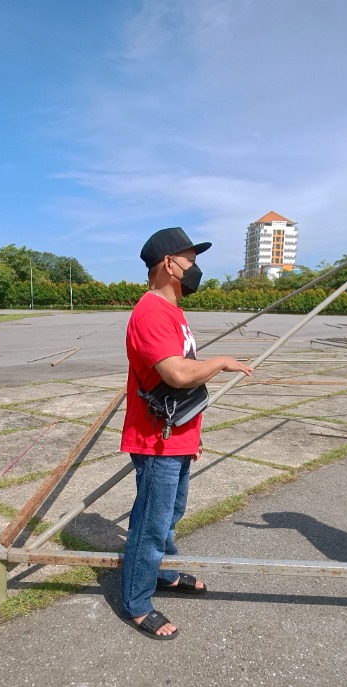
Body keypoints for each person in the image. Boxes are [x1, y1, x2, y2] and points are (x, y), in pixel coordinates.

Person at [120, 228, 254, 639]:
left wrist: (192, 438)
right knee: (150, 523)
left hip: (175, 435)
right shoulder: (152, 312)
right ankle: (137, 603)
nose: (195, 268)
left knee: (170, 516)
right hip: (156, 441)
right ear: (168, 264)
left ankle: (165, 572)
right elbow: (177, 373)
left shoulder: (173, 311)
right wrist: (221, 361)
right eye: (190, 260)